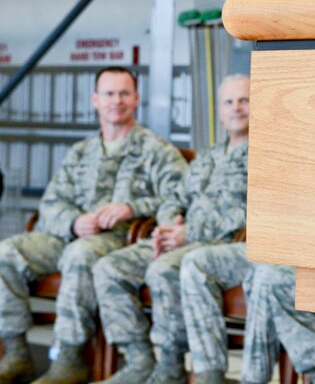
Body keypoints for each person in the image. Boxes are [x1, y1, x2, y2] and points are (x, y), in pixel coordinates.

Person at [0, 67, 188, 384]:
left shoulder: (157, 150)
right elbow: (51, 202)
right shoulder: (81, 151)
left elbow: (180, 198)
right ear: (95, 100)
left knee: (81, 254)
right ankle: (16, 352)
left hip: (119, 241)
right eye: (109, 94)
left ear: (136, 99)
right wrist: (74, 222)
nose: (117, 101)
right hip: (69, 235)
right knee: (6, 252)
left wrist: (131, 207)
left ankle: (69, 359)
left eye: (124, 93)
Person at [92, 74, 251, 384]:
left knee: (163, 269)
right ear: (219, 110)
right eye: (229, 102)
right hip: (179, 239)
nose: (236, 108)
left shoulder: (268, 156)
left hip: (219, 246)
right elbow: (174, 197)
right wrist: (169, 225)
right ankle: (139, 360)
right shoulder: (208, 157)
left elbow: (250, 212)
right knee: (109, 267)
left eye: (244, 100)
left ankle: (171, 363)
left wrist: (190, 233)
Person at [179, 243, 315, 384]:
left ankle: (254, 380)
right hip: (270, 241)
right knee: (195, 263)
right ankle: (210, 375)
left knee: (268, 275)